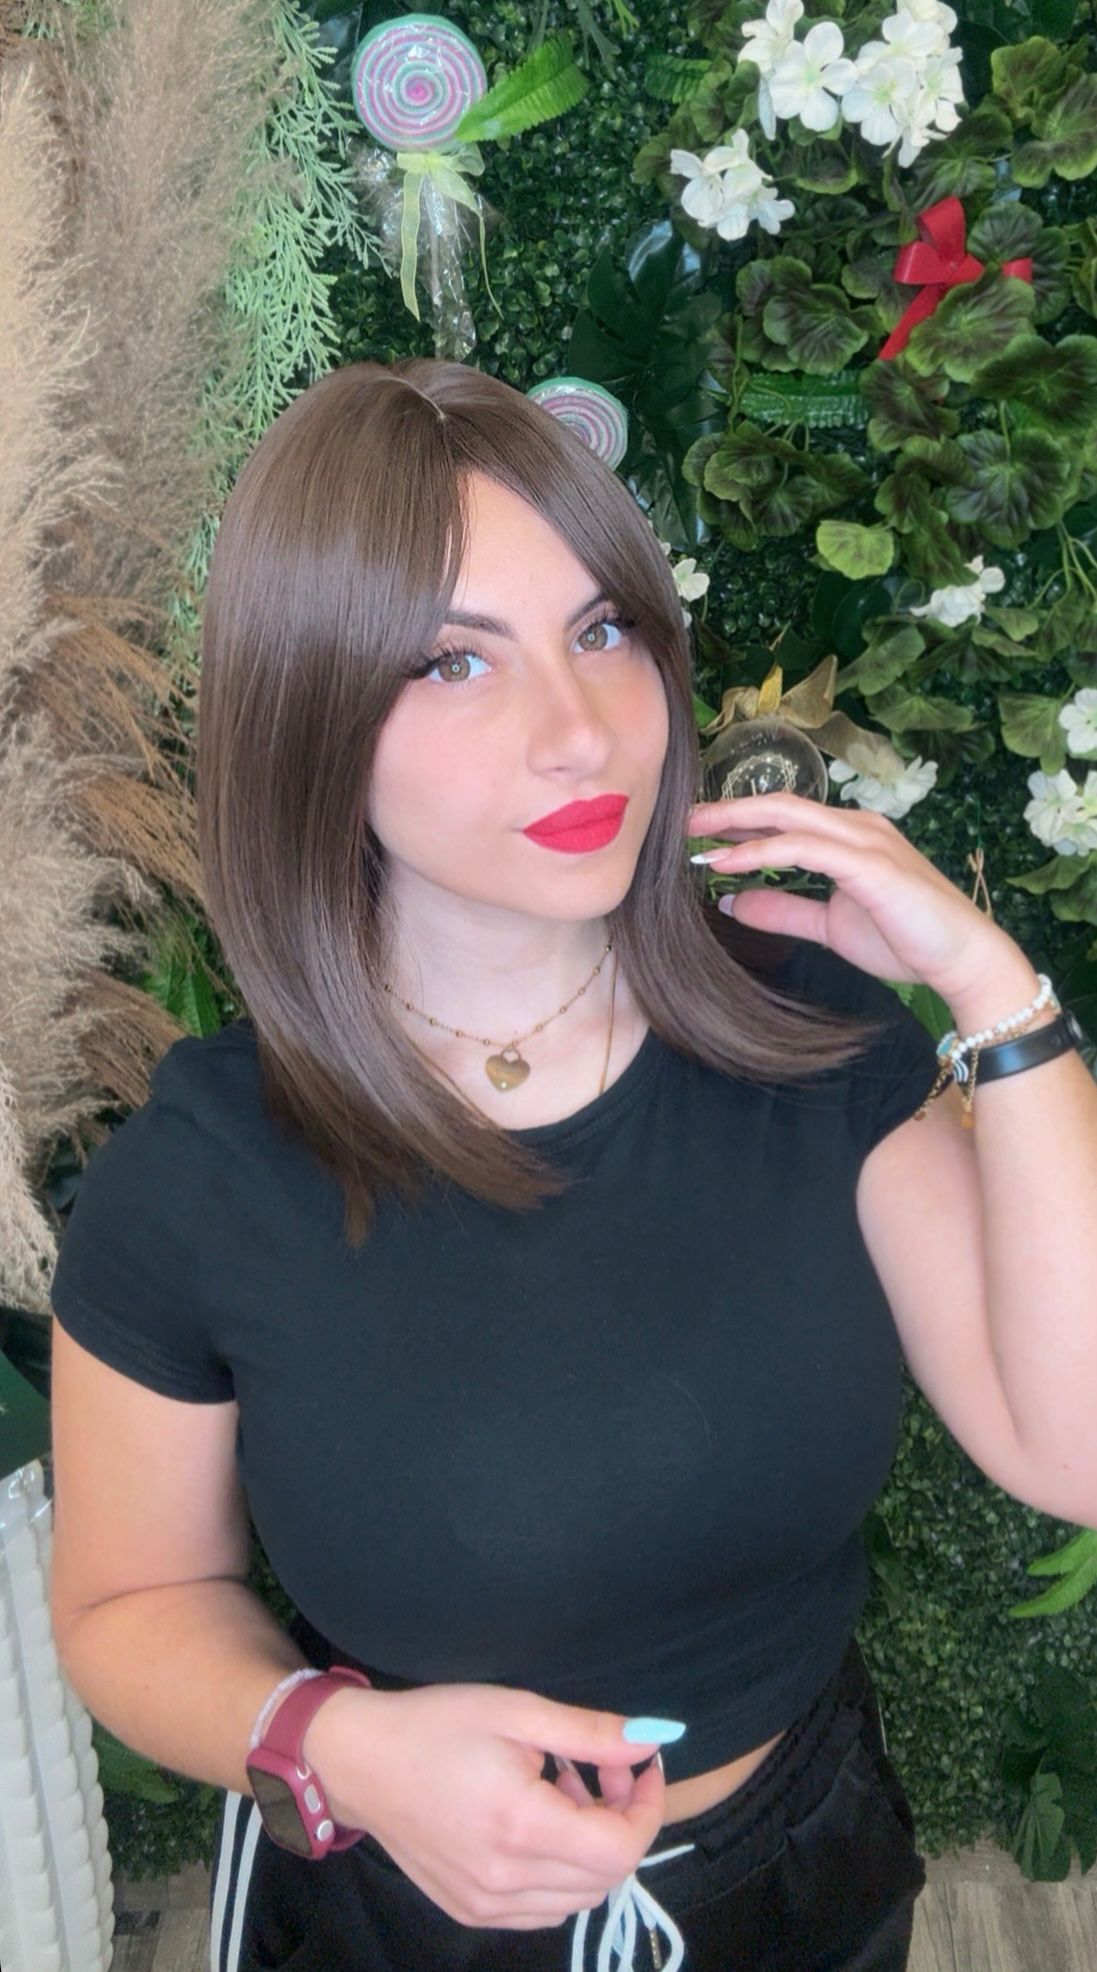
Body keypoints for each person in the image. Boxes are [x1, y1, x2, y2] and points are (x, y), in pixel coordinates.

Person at [49, 358, 947, 1972]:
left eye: (600, 631)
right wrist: (342, 1747)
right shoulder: (198, 1180)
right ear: (312, 716)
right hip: (398, 1915)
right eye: (453, 661)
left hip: (803, 1872)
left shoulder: (814, 1043)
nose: (577, 732)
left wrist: (999, 1001)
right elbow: (124, 1611)